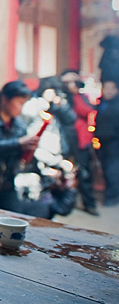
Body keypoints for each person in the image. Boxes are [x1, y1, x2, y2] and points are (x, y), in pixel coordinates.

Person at [0, 80, 77, 219]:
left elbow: (21, 158)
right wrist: (19, 143)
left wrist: (28, 150)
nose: (21, 108)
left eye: (24, 103)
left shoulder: (20, 123)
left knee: (12, 221)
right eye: (19, 102)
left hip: (7, 184)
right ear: (5, 99)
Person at [59, 70, 99, 215]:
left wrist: (75, 94)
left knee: (84, 171)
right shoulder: (61, 97)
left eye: (72, 81)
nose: (69, 85)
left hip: (80, 139)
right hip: (63, 139)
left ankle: (89, 203)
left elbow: (87, 110)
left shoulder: (80, 97)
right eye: (66, 82)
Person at [94, 76, 119, 206]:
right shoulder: (101, 103)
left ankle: (112, 196)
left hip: (114, 142)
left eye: (111, 89)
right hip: (102, 141)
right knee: (105, 167)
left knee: (112, 169)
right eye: (106, 88)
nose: (108, 91)